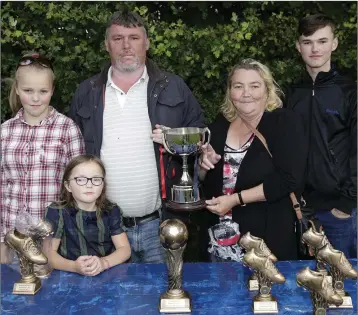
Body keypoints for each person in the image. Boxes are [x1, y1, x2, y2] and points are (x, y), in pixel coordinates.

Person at [69, 10, 205, 263]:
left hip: (160, 224)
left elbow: (198, 137)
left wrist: (199, 152)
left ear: (147, 43)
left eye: (134, 37)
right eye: (118, 38)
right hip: (104, 229)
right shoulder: (87, 92)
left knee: (164, 295)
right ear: (107, 44)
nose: (126, 45)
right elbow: (74, 155)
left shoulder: (173, 87)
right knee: (110, 300)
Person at [199, 59, 307, 261]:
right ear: (230, 92)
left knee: (265, 292)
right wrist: (203, 165)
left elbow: (290, 179)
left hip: (265, 242)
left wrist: (235, 200)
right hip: (218, 242)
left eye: (254, 86)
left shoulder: (285, 122)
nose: (246, 93)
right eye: (238, 86)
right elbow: (205, 179)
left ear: (267, 90)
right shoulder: (219, 126)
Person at [1, 53, 85, 264]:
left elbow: (80, 188)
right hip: (12, 239)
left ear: (52, 91)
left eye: (43, 91)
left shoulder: (68, 129)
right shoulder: (5, 132)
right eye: (28, 91)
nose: (36, 98)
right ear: (17, 89)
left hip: (55, 241)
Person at [285, 14, 357, 258]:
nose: (315, 49)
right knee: (305, 284)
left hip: (340, 211)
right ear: (298, 46)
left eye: (322, 41)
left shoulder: (349, 91)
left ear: (334, 44)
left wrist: (346, 205)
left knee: (344, 287)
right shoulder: (291, 94)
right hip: (299, 209)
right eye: (308, 42)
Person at [43, 155, 131, 276]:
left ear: (103, 184)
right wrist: (74, 267)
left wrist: (103, 263)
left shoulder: (111, 210)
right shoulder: (56, 211)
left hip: (105, 275)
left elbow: (124, 249)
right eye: (81, 179)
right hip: (67, 275)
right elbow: (48, 253)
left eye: (96, 179)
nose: (89, 185)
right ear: (68, 186)